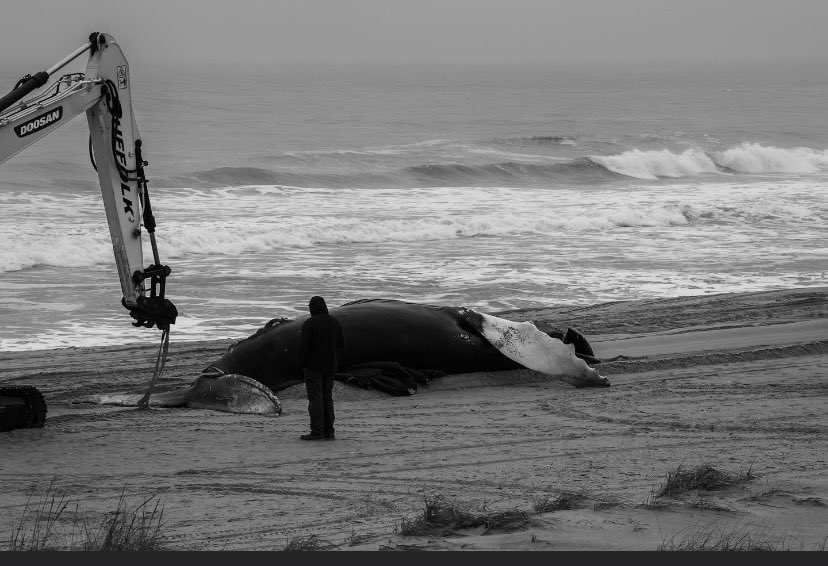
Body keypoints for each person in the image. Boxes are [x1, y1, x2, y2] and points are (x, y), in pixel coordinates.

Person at [297, 296, 345, 441]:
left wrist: (301, 364)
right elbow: (340, 344)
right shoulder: (334, 322)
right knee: (327, 398)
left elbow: (303, 348)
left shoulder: (309, 324)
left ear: (312, 308)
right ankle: (329, 431)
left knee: (315, 399)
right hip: (330, 366)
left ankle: (317, 431)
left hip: (313, 367)